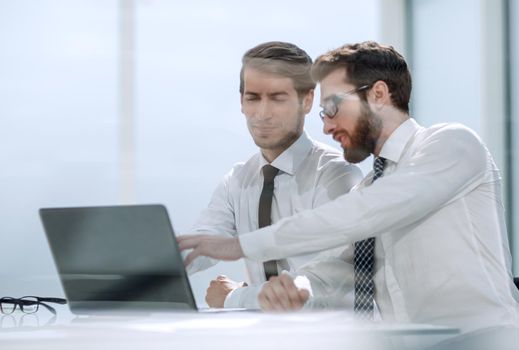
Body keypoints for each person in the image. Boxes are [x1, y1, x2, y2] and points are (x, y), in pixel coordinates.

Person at [178, 41, 519, 335]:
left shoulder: (451, 144)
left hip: (484, 340)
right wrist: (287, 291)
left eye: (332, 108)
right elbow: (330, 273)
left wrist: (241, 246)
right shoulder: (371, 187)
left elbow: (367, 212)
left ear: (379, 94)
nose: (326, 126)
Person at [183, 41, 362, 309]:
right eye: (253, 98)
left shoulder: (336, 177)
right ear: (241, 103)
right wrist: (148, 264)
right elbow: (203, 242)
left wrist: (234, 298)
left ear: (308, 100)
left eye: (277, 98)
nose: (262, 113)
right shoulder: (238, 180)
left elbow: (323, 290)